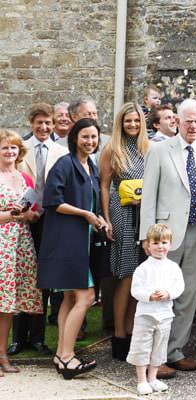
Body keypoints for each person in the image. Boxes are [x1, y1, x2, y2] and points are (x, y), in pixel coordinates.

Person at [139, 99, 196, 379]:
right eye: (188, 121)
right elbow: (148, 195)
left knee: (187, 296)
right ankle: (155, 356)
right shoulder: (159, 151)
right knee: (160, 295)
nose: (194, 126)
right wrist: (147, 235)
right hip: (165, 234)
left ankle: (174, 352)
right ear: (177, 121)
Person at [37, 118, 107, 379]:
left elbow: (93, 200)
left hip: (83, 240)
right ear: (75, 138)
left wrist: (99, 218)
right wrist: (86, 214)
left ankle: (60, 354)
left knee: (69, 297)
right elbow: (53, 201)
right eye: (85, 137)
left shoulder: (91, 165)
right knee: (86, 297)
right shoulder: (64, 164)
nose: (90, 141)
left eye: (94, 137)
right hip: (66, 240)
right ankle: (68, 357)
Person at [10, 103, 68, 357]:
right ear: (31, 123)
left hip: (51, 220)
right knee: (20, 275)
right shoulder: (21, 149)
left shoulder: (61, 151)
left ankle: (38, 337)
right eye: (39, 123)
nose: (44, 127)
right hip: (23, 220)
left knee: (42, 279)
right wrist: (25, 212)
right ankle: (17, 338)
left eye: (48, 123)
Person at [99, 102, 149, 360]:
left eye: (136, 121)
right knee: (127, 274)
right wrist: (107, 219)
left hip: (144, 215)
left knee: (140, 276)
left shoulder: (147, 148)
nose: (132, 125)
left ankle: (130, 332)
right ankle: (119, 335)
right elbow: (105, 186)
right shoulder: (112, 149)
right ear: (120, 123)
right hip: (122, 214)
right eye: (128, 121)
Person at [0, 129, 43, 375]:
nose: (10, 151)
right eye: (5, 147)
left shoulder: (24, 177)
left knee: (8, 305)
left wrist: (30, 215)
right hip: (1, 243)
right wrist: (11, 214)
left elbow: (34, 213)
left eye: (14, 147)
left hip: (20, 244)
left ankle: (2, 354)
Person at [126, 224, 184, 395]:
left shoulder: (173, 268)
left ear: (170, 244)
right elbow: (135, 290)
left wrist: (168, 293)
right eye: (156, 243)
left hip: (165, 315)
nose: (160, 247)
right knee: (142, 346)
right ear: (148, 246)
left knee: (159, 347)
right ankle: (142, 380)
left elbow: (179, 286)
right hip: (146, 314)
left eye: (164, 243)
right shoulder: (142, 269)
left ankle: (153, 378)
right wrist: (149, 296)